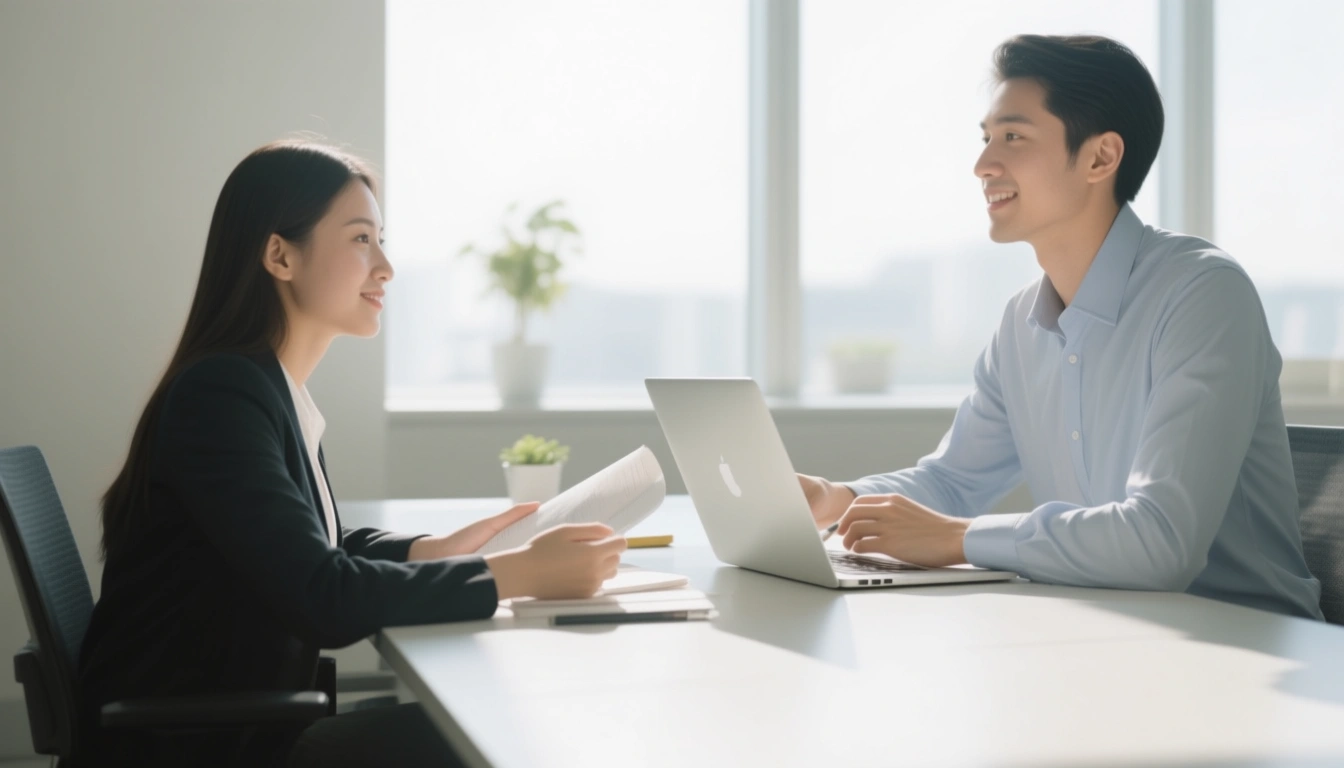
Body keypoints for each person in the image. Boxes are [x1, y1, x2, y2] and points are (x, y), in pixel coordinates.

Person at [77, 139, 628, 767]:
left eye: (381, 239)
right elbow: (323, 597)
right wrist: (521, 574)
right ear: (280, 256)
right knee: (509, 730)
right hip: (203, 749)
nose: (386, 266)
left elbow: (313, 547)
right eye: (362, 239)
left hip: (237, 730)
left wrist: (434, 550)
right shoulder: (222, 395)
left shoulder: (266, 389)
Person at [799, 35, 1323, 621]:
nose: (983, 165)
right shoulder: (1020, 324)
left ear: (1101, 158)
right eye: (986, 137)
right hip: (1109, 632)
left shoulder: (1202, 294)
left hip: (1243, 644)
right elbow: (951, 481)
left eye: (1013, 137)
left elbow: (1161, 542)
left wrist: (958, 539)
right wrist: (836, 499)